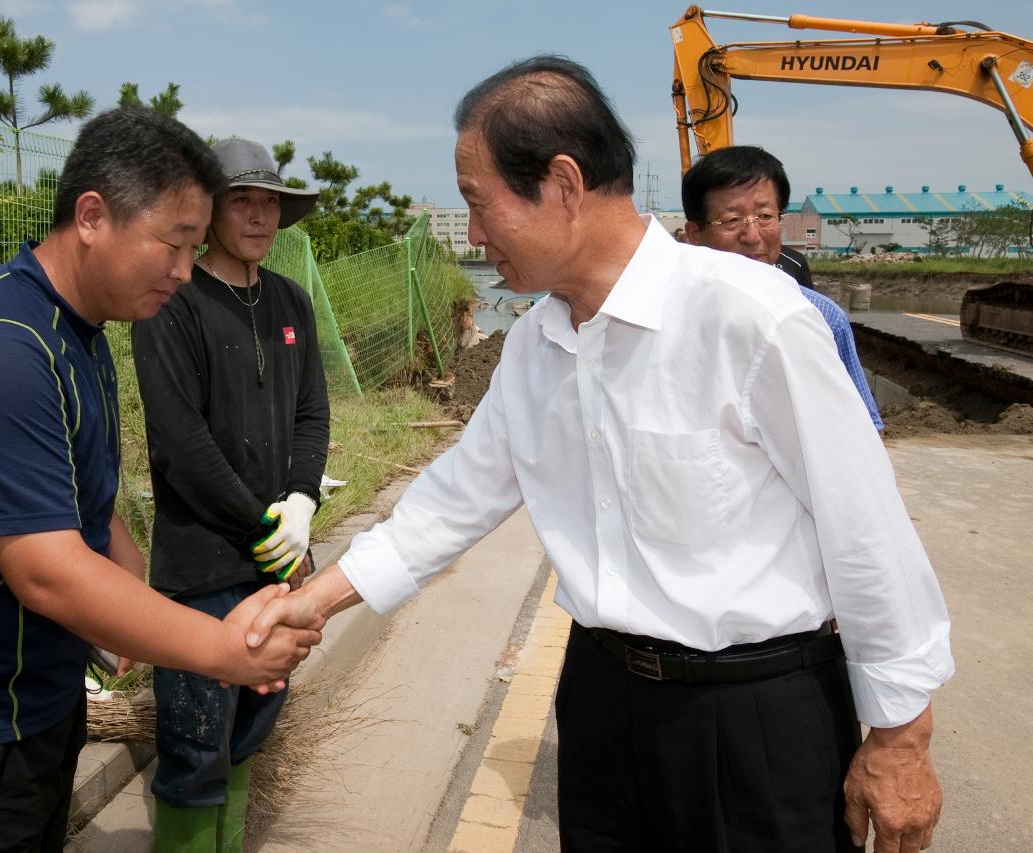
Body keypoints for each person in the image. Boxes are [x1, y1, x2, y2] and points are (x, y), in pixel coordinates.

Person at [250, 57, 952, 853]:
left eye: (480, 206)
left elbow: (867, 533)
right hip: (601, 707)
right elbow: (449, 503)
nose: (474, 235)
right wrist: (311, 601)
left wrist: (901, 738)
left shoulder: (751, 320)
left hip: (754, 717)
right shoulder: (536, 347)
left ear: (562, 184)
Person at [0, 108, 322, 853]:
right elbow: (48, 573)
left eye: (196, 248)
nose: (186, 272)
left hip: (35, 702)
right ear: (93, 215)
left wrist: (130, 586)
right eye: (173, 244)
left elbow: (75, 497)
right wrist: (221, 648)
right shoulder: (5, 350)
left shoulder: (83, 334)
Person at [131, 137, 329, 853]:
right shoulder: (172, 306)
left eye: (269, 201)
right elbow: (181, 443)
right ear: (209, 211)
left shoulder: (290, 302)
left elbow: (312, 412)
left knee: (250, 730)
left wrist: (302, 501)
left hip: (277, 565)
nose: (259, 216)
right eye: (241, 200)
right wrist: (261, 524)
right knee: (192, 746)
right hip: (200, 570)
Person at [682, 145, 884, 430]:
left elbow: (864, 428)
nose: (752, 236)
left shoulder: (823, 317)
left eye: (765, 217)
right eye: (731, 220)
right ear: (694, 234)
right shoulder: (668, 317)